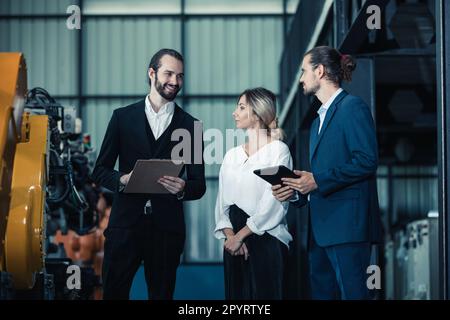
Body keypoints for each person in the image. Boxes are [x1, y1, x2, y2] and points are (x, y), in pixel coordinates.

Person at [91, 48, 206, 300]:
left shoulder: (191, 126)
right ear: (152, 73)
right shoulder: (122, 118)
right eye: (169, 73)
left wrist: (183, 188)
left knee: (161, 296)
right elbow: (99, 171)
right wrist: (122, 180)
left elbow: (199, 185)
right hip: (125, 226)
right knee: (113, 294)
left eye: (180, 76)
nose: (175, 82)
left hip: (166, 229)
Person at [272, 46, 382, 300]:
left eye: (303, 72)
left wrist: (317, 180)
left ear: (319, 71)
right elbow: (319, 179)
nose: (300, 79)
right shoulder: (316, 122)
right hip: (320, 232)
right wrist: (296, 189)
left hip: (348, 230)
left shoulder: (352, 107)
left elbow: (366, 160)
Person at [214, 87, 293, 299]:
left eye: (241, 107)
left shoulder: (278, 150)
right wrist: (231, 238)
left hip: (267, 240)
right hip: (233, 245)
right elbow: (222, 204)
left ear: (257, 113)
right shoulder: (231, 155)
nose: (234, 113)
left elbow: (274, 202)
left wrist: (241, 236)